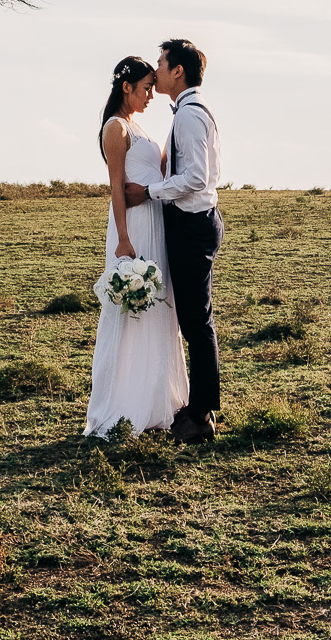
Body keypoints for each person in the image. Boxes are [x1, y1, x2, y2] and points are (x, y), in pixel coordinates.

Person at [82, 55, 188, 437]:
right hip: (134, 226)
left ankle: (158, 399)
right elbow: (116, 187)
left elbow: (154, 171)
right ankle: (124, 404)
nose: (150, 94)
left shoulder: (137, 125)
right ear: (126, 87)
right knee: (133, 310)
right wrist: (123, 239)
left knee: (159, 307)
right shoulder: (115, 127)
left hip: (154, 221)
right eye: (145, 88)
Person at [124, 37, 222, 444]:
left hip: (193, 225)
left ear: (177, 70)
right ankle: (199, 407)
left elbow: (197, 178)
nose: (157, 70)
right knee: (194, 320)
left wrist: (149, 193)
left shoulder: (189, 116)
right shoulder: (188, 113)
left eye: (162, 63)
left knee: (196, 322)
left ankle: (200, 414)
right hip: (195, 223)